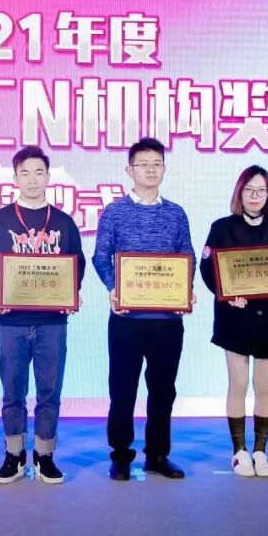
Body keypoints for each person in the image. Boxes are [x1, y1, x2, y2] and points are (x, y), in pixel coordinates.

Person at [0, 146, 86, 484]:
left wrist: (72, 292)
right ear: (15, 178)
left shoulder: (64, 222)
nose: (33, 179)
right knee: (13, 391)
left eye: (39, 172)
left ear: (48, 177)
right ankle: (14, 455)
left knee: (50, 391)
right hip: (12, 321)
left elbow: (77, 265)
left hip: (53, 322)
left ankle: (44, 455)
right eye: (25, 173)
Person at [92, 137, 195, 481]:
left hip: (167, 319)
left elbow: (187, 255)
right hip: (126, 318)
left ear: (164, 168)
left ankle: (158, 455)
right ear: (129, 170)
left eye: (157, 164)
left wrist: (185, 290)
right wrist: (114, 288)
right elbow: (100, 256)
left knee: (164, 390)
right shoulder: (115, 212)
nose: (151, 170)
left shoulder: (176, 213)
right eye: (143, 165)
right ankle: (121, 456)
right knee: (122, 389)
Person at [199, 166, 268, 478]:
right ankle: (239, 451)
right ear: (239, 193)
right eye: (249, 190)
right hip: (235, 318)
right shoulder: (221, 227)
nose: (254, 196)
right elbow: (207, 269)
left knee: (264, 386)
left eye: (261, 190)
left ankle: (261, 451)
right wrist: (226, 294)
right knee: (238, 384)